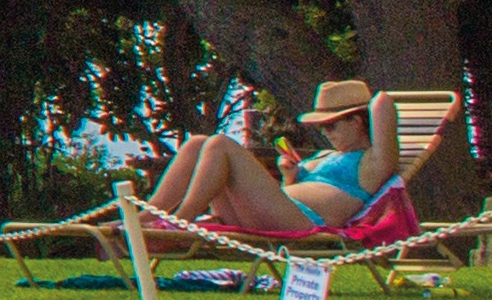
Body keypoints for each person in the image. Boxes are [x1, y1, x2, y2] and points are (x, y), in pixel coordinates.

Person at [146, 80, 404, 236]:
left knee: (220, 145)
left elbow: (383, 103)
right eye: (322, 127)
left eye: (331, 125)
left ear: (357, 121)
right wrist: (289, 177)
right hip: (271, 215)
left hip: (303, 223)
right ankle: (144, 217)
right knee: (197, 144)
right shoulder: (325, 155)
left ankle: (180, 221)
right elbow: (291, 193)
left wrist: (362, 99)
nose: (325, 133)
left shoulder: (372, 162)